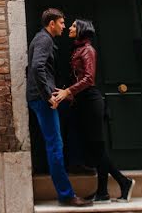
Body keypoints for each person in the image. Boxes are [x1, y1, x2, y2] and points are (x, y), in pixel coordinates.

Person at [51, 19, 136, 203]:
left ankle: (122, 182)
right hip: (82, 102)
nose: (70, 28)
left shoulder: (88, 50)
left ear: (81, 29)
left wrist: (68, 91)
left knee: (97, 148)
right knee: (95, 149)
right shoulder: (78, 49)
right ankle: (104, 192)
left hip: (91, 101)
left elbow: (89, 78)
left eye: (73, 26)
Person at [27, 8, 92, 207]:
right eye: (62, 23)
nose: (64, 27)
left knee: (55, 143)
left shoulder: (41, 39)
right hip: (42, 99)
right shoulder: (44, 39)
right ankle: (66, 195)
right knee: (55, 146)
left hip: (40, 96)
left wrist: (51, 88)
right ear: (52, 23)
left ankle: (66, 192)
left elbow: (42, 71)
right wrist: (48, 96)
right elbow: (37, 68)